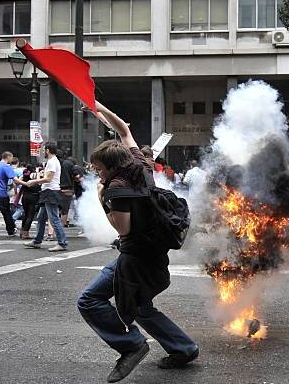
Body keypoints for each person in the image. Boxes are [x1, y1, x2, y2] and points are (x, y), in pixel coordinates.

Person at [77, 100, 198, 383]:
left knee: (90, 300)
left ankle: (131, 345)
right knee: (141, 307)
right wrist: (98, 107)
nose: (97, 173)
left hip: (135, 258)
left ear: (109, 166)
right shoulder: (140, 164)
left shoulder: (116, 190)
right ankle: (184, 348)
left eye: (98, 169)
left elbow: (123, 230)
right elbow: (123, 129)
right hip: (153, 252)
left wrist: (100, 197)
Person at [23, 142, 68, 252]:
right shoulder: (53, 161)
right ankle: (37, 241)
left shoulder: (52, 162)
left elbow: (48, 179)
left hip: (50, 191)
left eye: (44, 150)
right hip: (48, 191)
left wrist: (34, 181)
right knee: (41, 218)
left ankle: (62, 243)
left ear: (47, 150)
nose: (43, 152)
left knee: (53, 218)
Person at [19, 164, 42, 239]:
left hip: (25, 196)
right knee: (30, 216)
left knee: (25, 214)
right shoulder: (35, 175)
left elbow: (18, 180)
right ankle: (26, 233)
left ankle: (22, 231)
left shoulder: (24, 175)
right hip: (33, 197)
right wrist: (38, 173)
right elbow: (39, 183)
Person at [59, 156, 76, 227]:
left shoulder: (59, 163)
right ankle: (64, 223)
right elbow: (76, 175)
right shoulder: (70, 165)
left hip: (58, 187)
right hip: (68, 188)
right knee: (65, 208)